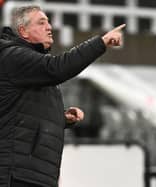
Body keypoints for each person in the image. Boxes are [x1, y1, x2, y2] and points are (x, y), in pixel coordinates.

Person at [0, 5, 125, 187]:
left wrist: (61, 117)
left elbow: (22, 112)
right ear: (23, 32)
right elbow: (57, 68)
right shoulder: (14, 56)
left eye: (48, 22)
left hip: (30, 173)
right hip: (18, 174)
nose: (49, 27)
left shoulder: (30, 63)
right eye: (41, 23)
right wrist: (101, 42)